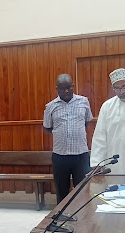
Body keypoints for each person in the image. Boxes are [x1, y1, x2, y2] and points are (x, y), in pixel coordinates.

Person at [43, 73, 94, 203]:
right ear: (57, 89)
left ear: (73, 86)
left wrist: (75, 132)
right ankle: (62, 218)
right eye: (62, 88)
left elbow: (86, 122)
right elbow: (47, 127)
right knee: (62, 192)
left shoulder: (83, 101)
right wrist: (61, 133)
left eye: (69, 87)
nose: (66, 91)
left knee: (83, 190)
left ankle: (83, 219)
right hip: (60, 156)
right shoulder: (50, 106)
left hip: (81, 155)